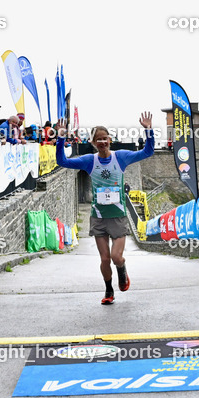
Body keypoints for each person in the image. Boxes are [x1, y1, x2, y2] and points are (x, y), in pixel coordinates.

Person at [55, 113, 154, 305]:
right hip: (98, 216)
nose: (102, 142)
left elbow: (147, 153)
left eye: (105, 138)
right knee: (105, 258)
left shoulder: (121, 157)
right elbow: (62, 162)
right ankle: (109, 290)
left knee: (117, 257)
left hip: (117, 216)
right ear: (93, 142)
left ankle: (122, 269)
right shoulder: (89, 160)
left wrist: (148, 131)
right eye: (98, 139)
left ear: (110, 139)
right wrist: (60, 138)